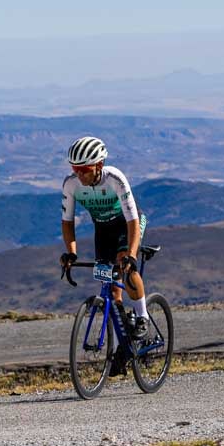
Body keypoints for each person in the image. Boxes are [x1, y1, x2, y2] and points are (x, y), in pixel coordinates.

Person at [58, 136, 150, 339]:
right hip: (103, 230)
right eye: (75, 169)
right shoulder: (71, 185)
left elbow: (133, 220)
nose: (80, 174)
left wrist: (132, 255)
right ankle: (119, 346)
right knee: (110, 288)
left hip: (127, 224)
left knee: (125, 266)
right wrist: (71, 253)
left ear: (99, 164)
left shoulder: (115, 179)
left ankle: (143, 316)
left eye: (85, 169)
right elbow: (67, 222)